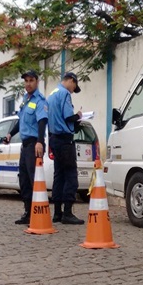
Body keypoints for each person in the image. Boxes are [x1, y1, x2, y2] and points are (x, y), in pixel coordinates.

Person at [6, 69, 48, 225]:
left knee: (34, 180)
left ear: (37, 82)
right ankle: (28, 212)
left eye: (31, 80)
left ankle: (38, 213)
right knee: (23, 180)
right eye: (26, 81)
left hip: (34, 145)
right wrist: (10, 134)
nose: (28, 84)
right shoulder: (25, 99)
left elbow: (42, 121)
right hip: (25, 146)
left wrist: (40, 141)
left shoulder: (40, 101)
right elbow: (21, 121)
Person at [46, 71, 84, 224]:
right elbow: (68, 117)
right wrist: (79, 115)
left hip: (54, 139)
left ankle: (57, 213)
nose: (73, 90)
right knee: (71, 176)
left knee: (59, 176)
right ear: (71, 81)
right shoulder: (65, 94)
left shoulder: (52, 94)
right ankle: (67, 213)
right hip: (65, 141)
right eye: (74, 87)